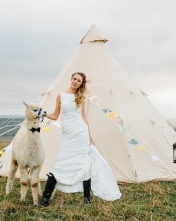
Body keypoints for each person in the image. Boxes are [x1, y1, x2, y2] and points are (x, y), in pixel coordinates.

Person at [40, 72, 121, 206]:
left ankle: (86, 199)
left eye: (79, 80)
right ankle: (45, 200)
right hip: (68, 135)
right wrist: (43, 113)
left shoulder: (81, 97)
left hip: (81, 134)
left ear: (81, 84)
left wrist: (90, 137)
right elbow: (55, 115)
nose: (76, 82)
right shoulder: (61, 95)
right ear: (71, 79)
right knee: (58, 163)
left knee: (84, 164)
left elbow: (84, 118)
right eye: (74, 79)